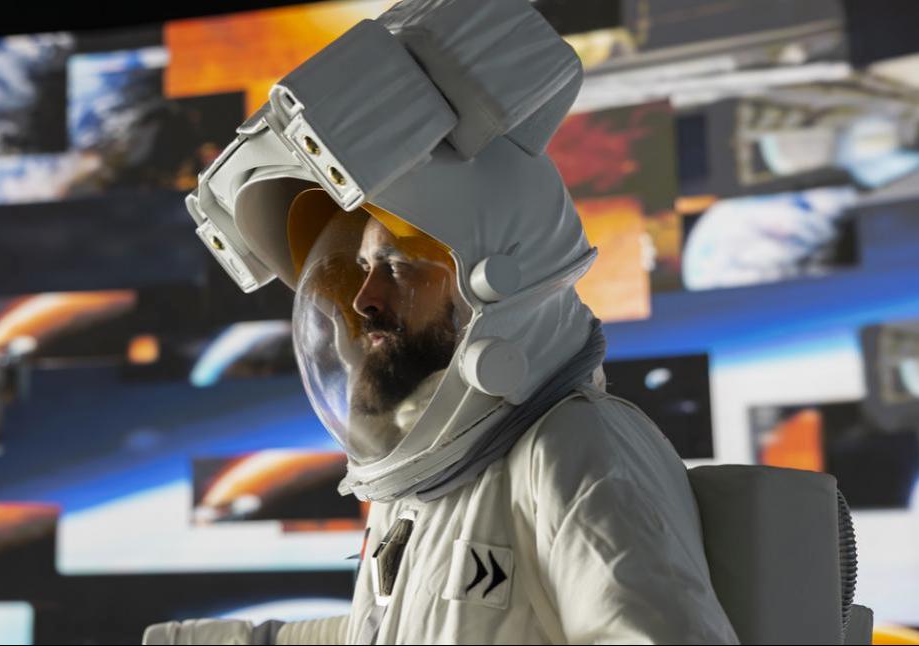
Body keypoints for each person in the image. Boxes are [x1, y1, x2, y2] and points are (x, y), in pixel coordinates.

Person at [146, 0, 739, 643]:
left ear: (497, 286)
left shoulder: (570, 446)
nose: (363, 299)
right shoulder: (427, 479)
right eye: (362, 267)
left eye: (398, 267)